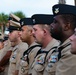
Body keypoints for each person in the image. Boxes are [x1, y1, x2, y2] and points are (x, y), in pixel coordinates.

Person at [51, 4, 76, 75]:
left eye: (55, 22)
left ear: (66, 26)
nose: (51, 25)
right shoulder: (61, 48)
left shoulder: (71, 51)